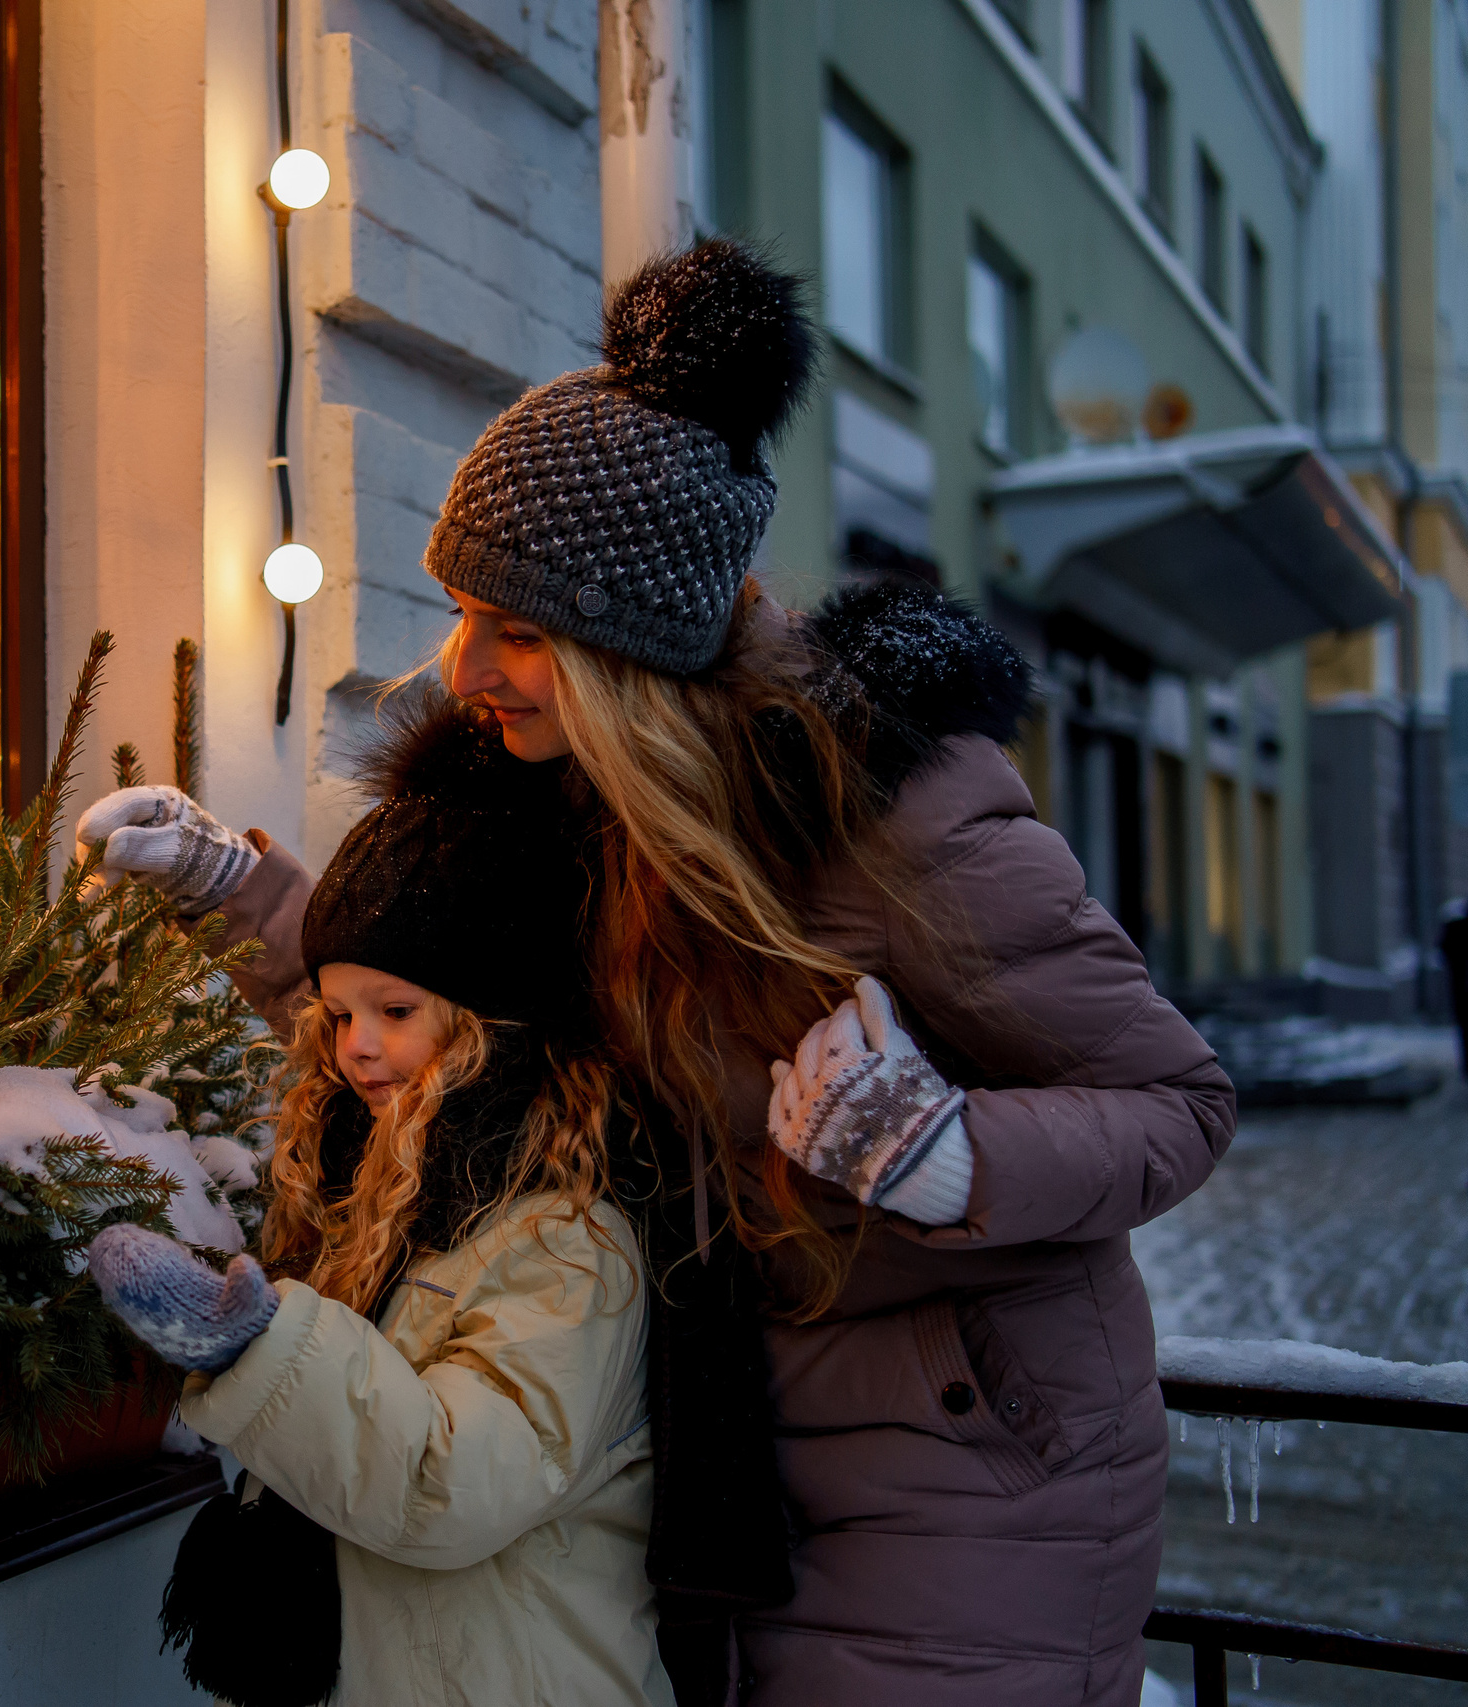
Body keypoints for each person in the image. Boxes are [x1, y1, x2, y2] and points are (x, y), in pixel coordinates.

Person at [80, 240, 1235, 1705]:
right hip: (706, 1443)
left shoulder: (900, 815)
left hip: (961, 1463)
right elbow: (432, 1013)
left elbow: (1176, 1099)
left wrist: (946, 1154)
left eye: (518, 630)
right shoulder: (562, 804)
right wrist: (233, 888)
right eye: (463, 611)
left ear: (634, 648)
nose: (466, 668)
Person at [86, 698, 673, 1707]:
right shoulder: (394, 1178)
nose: (354, 1043)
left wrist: (258, 1350)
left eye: (393, 1013)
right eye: (340, 1011)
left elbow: (448, 1482)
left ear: (491, 1019)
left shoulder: (565, 1239)